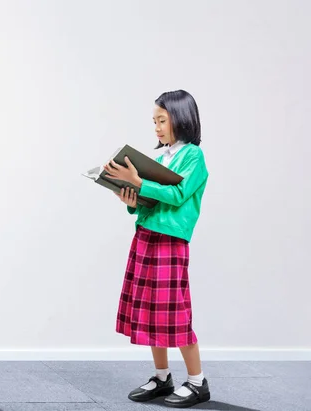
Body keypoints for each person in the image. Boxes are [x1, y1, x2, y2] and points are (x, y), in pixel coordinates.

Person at [103, 89, 210, 408]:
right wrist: (131, 201)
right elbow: (151, 203)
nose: (157, 127)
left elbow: (177, 195)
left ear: (181, 118)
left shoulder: (193, 156)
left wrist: (138, 182)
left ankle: (197, 382)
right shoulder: (162, 155)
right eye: (154, 121)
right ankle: (162, 377)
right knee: (151, 311)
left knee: (175, 312)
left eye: (162, 120)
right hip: (146, 237)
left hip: (171, 242)